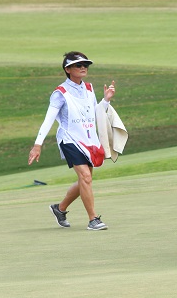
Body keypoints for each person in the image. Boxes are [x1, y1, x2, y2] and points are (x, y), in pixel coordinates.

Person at [28, 51, 116, 231]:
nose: (83, 67)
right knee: (85, 177)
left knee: (86, 178)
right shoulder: (60, 93)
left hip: (88, 139)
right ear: (68, 69)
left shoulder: (89, 88)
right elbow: (48, 119)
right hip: (69, 139)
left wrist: (105, 101)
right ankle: (93, 220)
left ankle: (59, 209)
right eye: (78, 65)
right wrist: (38, 144)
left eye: (85, 65)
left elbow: (94, 112)